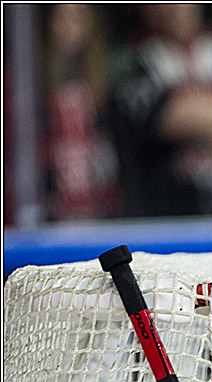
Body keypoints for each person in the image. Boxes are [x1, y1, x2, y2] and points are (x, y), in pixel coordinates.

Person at [109, 4, 212, 217]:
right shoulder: (132, 60)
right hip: (169, 209)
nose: (169, 9)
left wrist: (195, 114)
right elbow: (170, 120)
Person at [41, 3, 121, 221]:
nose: (68, 26)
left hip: (103, 209)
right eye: (61, 17)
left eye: (76, 16)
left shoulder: (111, 83)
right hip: (51, 212)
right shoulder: (31, 85)